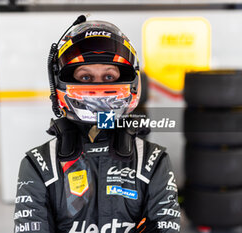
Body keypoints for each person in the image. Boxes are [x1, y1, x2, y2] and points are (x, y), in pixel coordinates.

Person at [14, 16, 180, 233]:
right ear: (61, 83)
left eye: (109, 77)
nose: (98, 89)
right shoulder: (38, 165)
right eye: (85, 78)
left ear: (131, 81)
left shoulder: (153, 161)